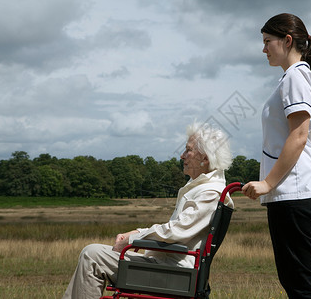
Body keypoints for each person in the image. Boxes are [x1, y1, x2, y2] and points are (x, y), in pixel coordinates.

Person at [62, 123, 233, 299]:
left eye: (188, 150)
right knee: (92, 254)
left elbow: (176, 232)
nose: (182, 155)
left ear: (205, 158)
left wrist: (132, 239)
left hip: (174, 275)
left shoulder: (211, 193)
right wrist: (138, 233)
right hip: (171, 270)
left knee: (92, 255)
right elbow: (178, 229)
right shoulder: (203, 188)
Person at [242, 13, 311, 299]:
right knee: (294, 281)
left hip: (293, 193)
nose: (264, 49)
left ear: (287, 40)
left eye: (267, 42)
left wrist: (268, 183)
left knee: (300, 285)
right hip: (288, 195)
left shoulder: (296, 76)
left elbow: (299, 135)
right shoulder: (291, 78)